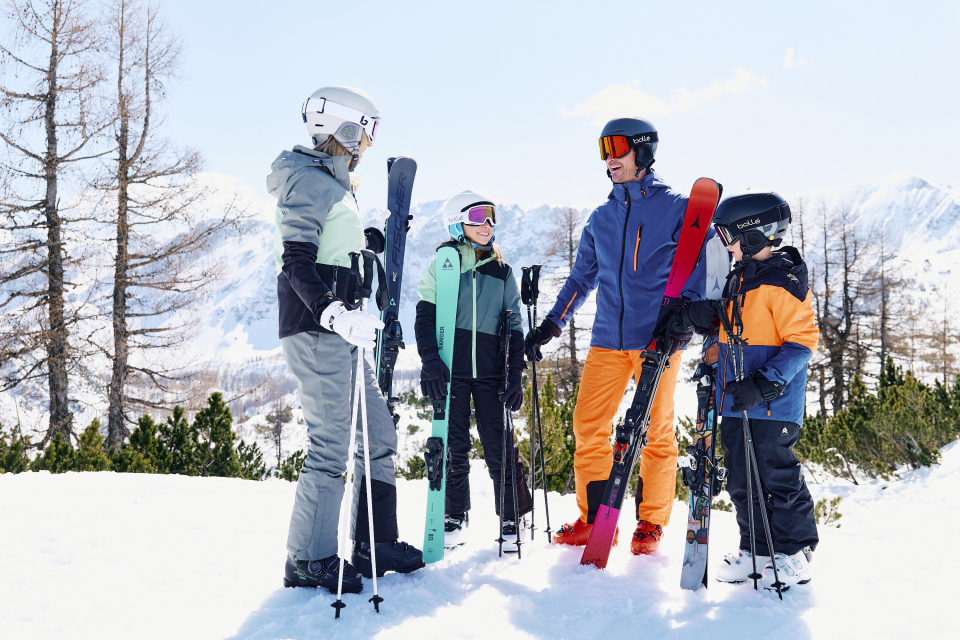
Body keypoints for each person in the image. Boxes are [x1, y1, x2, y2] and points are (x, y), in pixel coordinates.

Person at [524, 117, 716, 554]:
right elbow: (580, 280)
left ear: (643, 152)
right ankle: (594, 519)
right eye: (604, 150)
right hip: (608, 340)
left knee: (657, 432)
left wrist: (682, 318)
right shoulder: (602, 217)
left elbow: (698, 269)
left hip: (659, 340)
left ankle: (650, 523)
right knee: (588, 425)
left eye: (618, 149)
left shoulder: (677, 208)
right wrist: (552, 324)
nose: (610, 159)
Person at [267, 85, 424, 594]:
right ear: (344, 129)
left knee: (378, 435)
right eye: (366, 131)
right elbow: (297, 261)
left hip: (342, 331)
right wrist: (333, 313)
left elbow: (334, 249)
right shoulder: (309, 181)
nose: (369, 143)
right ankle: (306, 560)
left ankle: (373, 544)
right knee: (331, 447)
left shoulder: (334, 184)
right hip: (318, 331)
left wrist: (367, 248)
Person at [683, 190, 820, 589]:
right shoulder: (738, 280)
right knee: (742, 480)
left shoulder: (783, 282)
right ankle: (757, 549)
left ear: (756, 235)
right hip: (736, 402)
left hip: (773, 405)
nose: (725, 245)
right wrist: (708, 330)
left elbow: (802, 342)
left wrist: (764, 385)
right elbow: (734, 336)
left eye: (730, 236)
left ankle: (795, 552)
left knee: (777, 477)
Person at [414, 189, 533, 547]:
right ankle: (454, 513)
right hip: (452, 370)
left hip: (492, 372)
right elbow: (425, 315)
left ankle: (513, 516)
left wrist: (515, 374)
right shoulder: (443, 265)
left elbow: (514, 327)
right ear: (457, 222)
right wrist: (431, 361)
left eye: (492, 216)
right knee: (454, 445)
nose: (488, 224)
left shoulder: (503, 271)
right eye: (479, 216)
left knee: (500, 447)